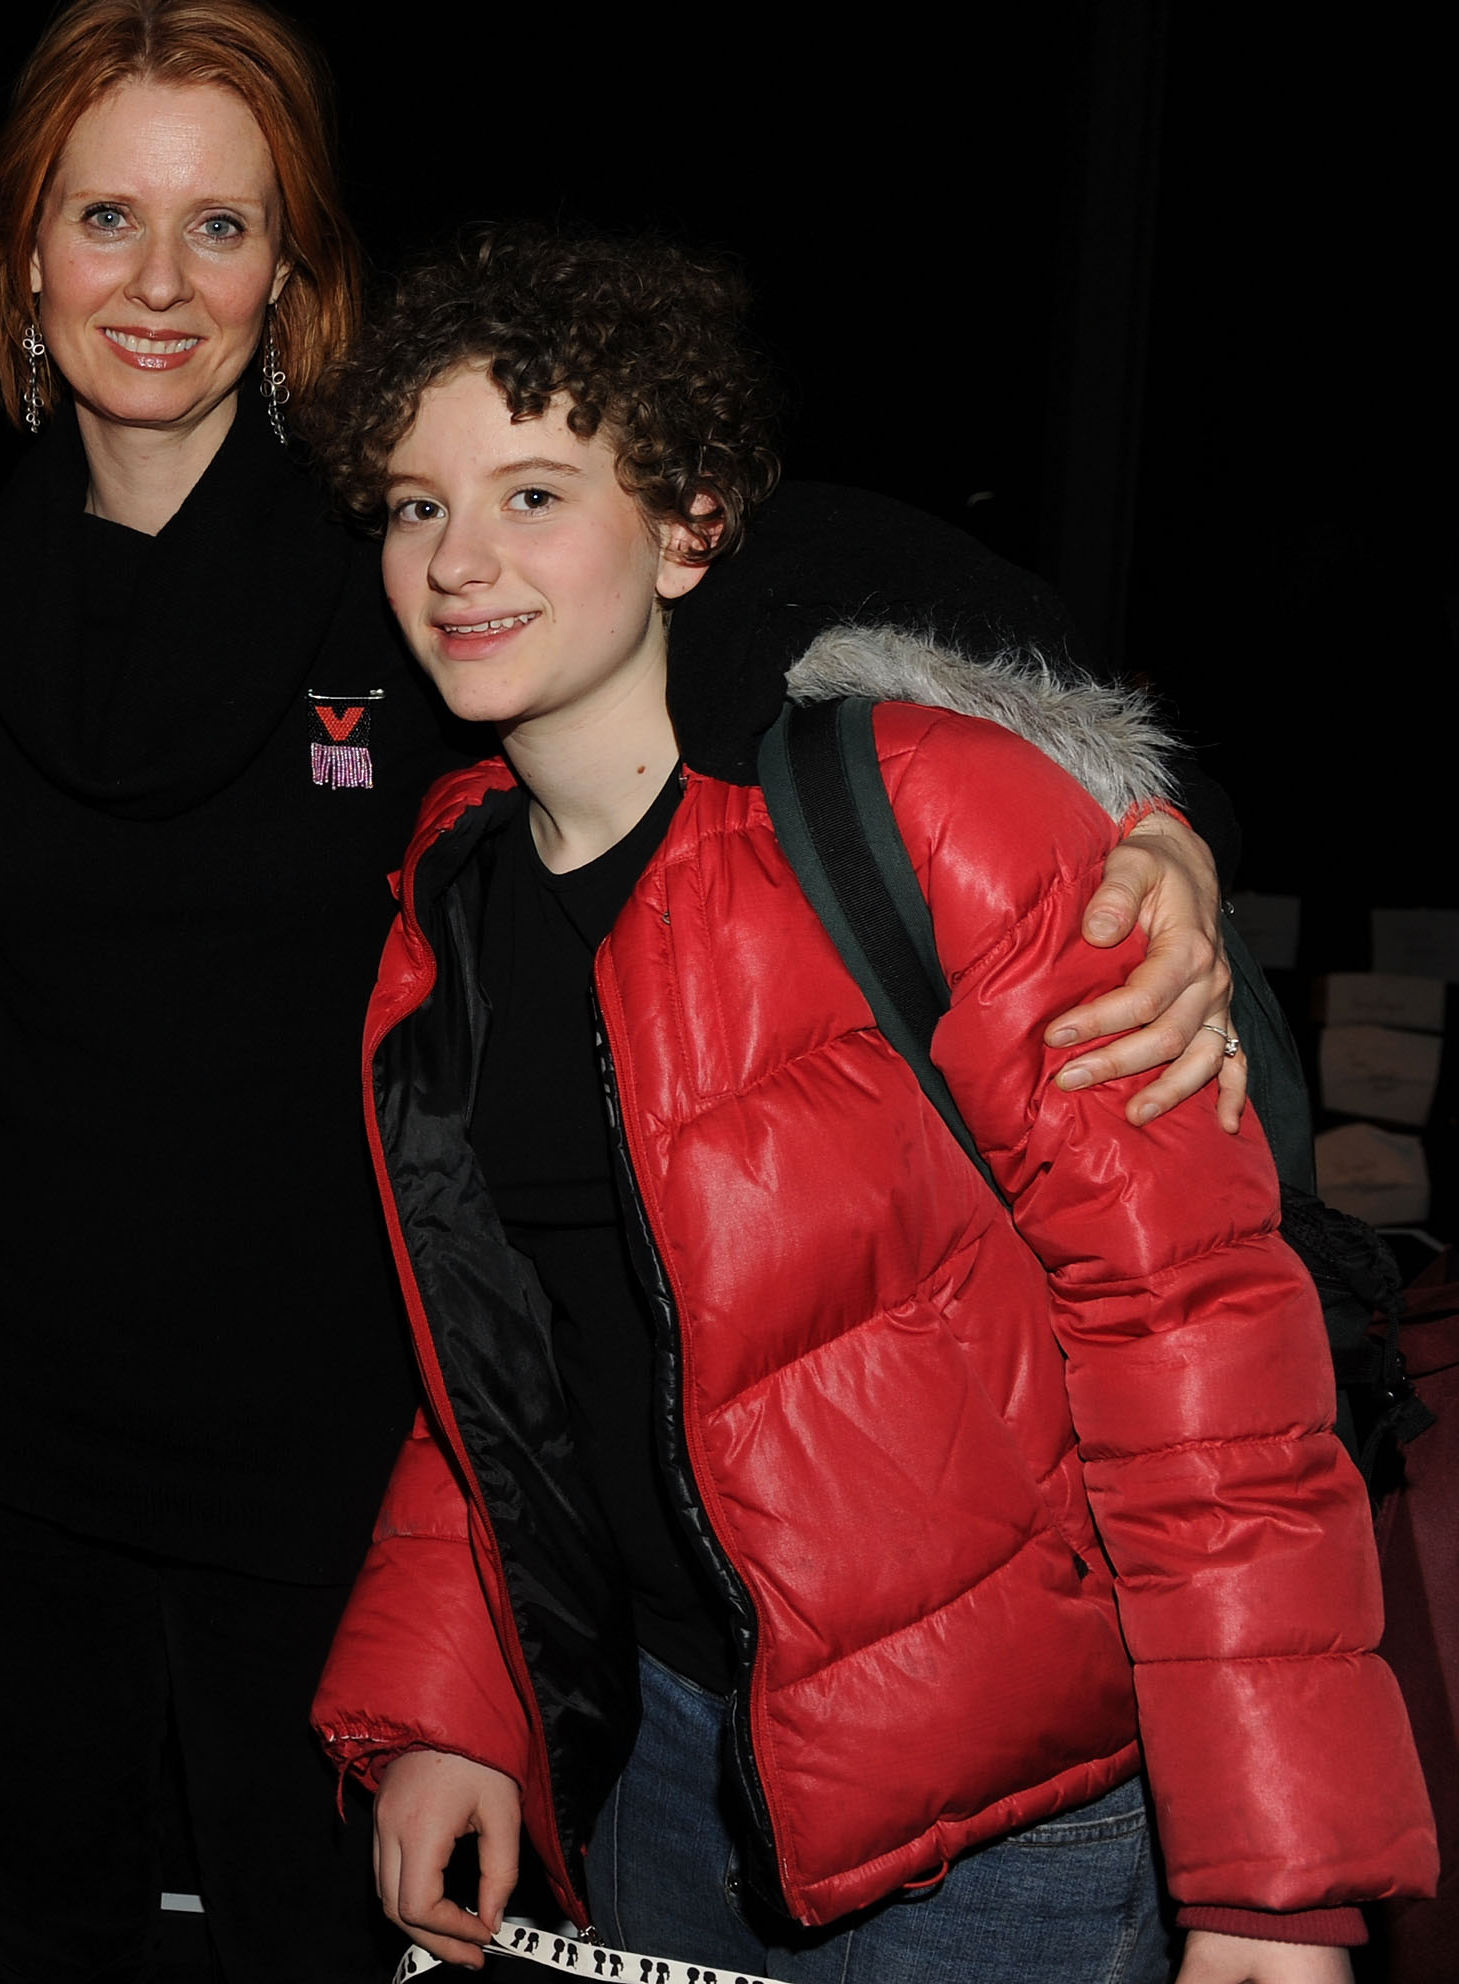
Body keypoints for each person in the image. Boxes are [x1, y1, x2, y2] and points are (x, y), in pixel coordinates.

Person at [0, 0, 1245, 1983]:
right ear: (22, 256)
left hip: (333, 1456)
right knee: (46, 1932)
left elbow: (868, 579)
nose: (159, 277)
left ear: (293, 275)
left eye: (223, 222)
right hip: (15, 1435)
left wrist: (1159, 818)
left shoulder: (419, 549)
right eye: (106, 216)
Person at [305, 223, 1435, 1982]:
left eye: (534, 494)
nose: (459, 560)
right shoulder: (447, 901)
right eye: (412, 503)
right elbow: (515, 1355)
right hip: (658, 1778)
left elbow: (1199, 1351)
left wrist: (1268, 1890)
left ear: (686, 528)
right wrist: (449, 1704)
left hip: (1011, 1832)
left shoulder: (926, 818)